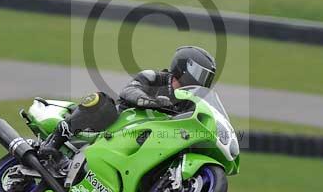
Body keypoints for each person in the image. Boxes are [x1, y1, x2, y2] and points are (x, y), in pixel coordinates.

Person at [37, 46, 217, 165]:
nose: (203, 81)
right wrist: (151, 102)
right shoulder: (155, 78)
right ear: (184, 67)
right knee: (101, 100)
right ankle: (54, 142)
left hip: (146, 140)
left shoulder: (188, 103)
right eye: (201, 74)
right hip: (115, 125)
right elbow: (129, 92)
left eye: (207, 78)